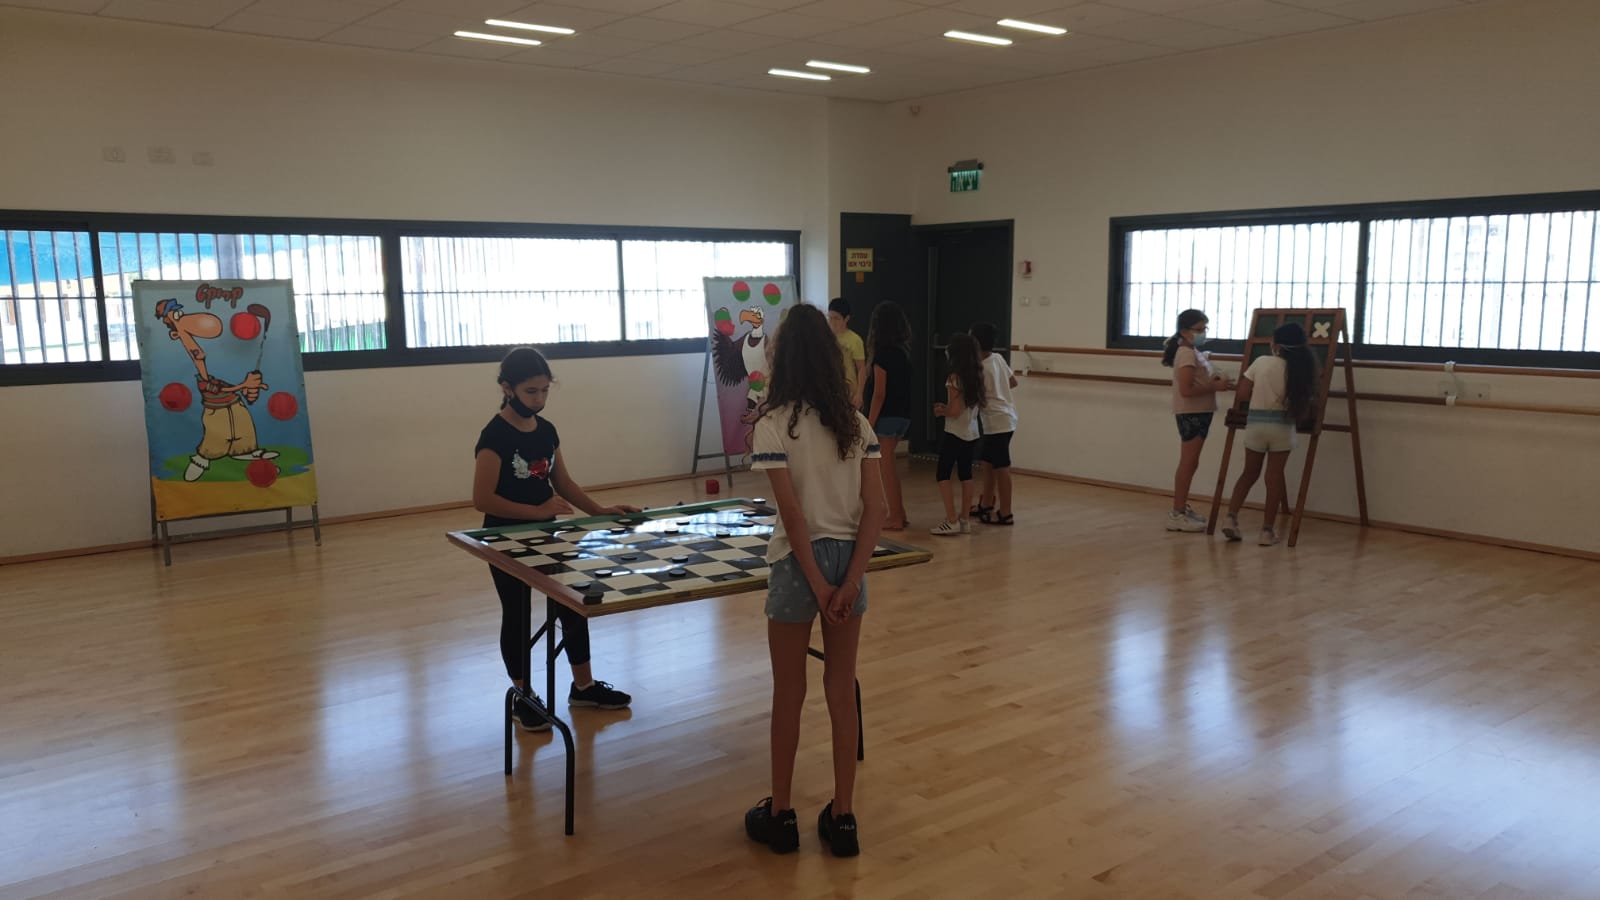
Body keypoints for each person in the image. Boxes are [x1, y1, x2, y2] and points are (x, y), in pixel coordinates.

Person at [744, 303, 884, 858]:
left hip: (795, 565)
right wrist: (848, 582)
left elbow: (794, 516)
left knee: (789, 692)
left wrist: (818, 585)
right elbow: (877, 510)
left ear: (781, 360)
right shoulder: (858, 425)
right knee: (842, 689)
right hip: (849, 562)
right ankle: (843, 818)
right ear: (830, 358)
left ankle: (781, 814)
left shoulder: (773, 424)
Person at [473, 347, 637, 733]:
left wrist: (599, 510)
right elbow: (482, 499)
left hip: (548, 533)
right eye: (531, 391)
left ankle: (584, 687)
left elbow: (562, 482)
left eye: (545, 390)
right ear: (507, 388)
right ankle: (523, 695)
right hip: (505, 537)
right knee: (517, 613)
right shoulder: (494, 436)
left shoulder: (546, 430)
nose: (539, 399)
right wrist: (537, 511)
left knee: (573, 603)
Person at [1222, 322, 1320, 546]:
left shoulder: (1261, 361)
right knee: (1274, 478)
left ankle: (1230, 518)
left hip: (1256, 424)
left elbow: (1242, 393)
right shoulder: (1302, 369)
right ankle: (1267, 531)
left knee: (1249, 473)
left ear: (1276, 344)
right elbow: (1306, 403)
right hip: (1283, 428)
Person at [1162, 309, 1231, 532]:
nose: (1203, 333)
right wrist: (1215, 386)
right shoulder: (1186, 354)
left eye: (1205, 329)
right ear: (1184, 331)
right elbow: (1187, 389)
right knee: (1188, 462)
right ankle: (1177, 513)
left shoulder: (1194, 352)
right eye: (1199, 330)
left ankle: (1181, 507)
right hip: (1191, 413)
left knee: (1192, 461)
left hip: (1200, 412)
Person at [863, 301, 913, 531]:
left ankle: (895, 516)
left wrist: (869, 423)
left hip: (887, 417)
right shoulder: (903, 352)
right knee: (889, 467)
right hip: (902, 415)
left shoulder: (882, 355)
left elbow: (879, 393)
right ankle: (899, 512)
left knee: (887, 470)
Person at [931, 334, 984, 536]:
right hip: (971, 431)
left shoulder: (954, 378)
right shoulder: (977, 377)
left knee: (943, 473)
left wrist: (941, 411)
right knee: (966, 474)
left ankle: (951, 519)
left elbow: (954, 410)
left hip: (954, 432)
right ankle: (964, 520)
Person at [969, 322, 1018, 526]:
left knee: (1001, 467)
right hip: (1004, 418)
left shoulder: (980, 368)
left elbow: (976, 397)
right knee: (987, 462)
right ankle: (986, 503)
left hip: (998, 423)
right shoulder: (997, 358)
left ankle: (1006, 512)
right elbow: (1013, 382)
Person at [828, 297, 867, 409]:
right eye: (830, 317)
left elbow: (861, 369)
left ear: (846, 319)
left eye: (837, 318)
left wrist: (859, 394)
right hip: (830, 390)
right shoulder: (825, 338)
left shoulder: (855, 340)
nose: (832, 322)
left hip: (849, 392)